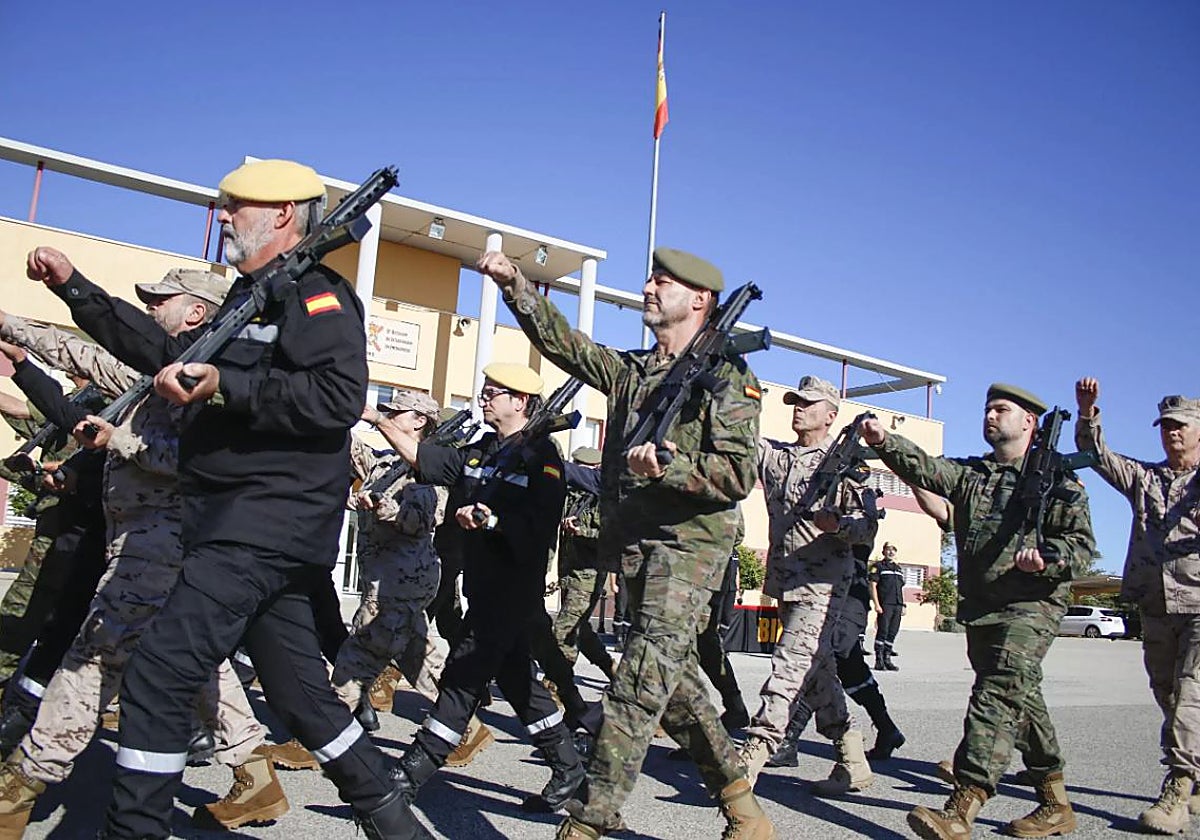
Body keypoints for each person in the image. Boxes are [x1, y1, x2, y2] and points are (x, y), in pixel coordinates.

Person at [23, 158, 429, 839]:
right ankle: (400, 828)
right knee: (303, 698)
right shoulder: (252, 299)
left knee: (157, 674)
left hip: (263, 523)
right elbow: (158, 348)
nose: (221, 216)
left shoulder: (317, 296)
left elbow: (336, 399)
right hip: (237, 524)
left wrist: (226, 388)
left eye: (234, 206)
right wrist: (75, 289)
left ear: (279, 216)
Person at [477, 247, 774, 840]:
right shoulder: (634, 372)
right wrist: (516, 286)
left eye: (661, 281)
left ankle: (592, 815)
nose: (647, 286)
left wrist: (670, 466)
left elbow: (738, 475)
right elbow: (568, 345)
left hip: (690, 549)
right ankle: (744, 807)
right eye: (650, 278)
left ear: (699, 299)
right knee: (675, 686)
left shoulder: (730, 377)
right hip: (635, 546)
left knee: (639, 679)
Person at [0, 272, 295, 834]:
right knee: (197, 660)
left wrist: (122, 442)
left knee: (93, 657)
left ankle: (21, 783)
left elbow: (196, 458)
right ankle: (255, 775)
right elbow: (83, 353)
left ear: (195, 315)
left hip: (160, 541)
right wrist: (13, 330)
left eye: (161, 300)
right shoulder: (151, 372)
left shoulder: (213, 383)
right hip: (142, 538)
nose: (149, 308)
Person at [861, 383, 1095, 840]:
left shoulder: (1058, 482)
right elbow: (927, 469)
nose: (990, 415)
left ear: (1029, 421)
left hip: (1032, 604)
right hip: (984, 606)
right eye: (987, 408)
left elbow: (1083, 547)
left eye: (1001, 409)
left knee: (996, 692)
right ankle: (1055, 803)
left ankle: (962, 805)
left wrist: (1049, 558)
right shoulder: (974, 475)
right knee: (1019, 697)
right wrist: (884, 440)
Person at [384, 362, 585, 813]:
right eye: (486, 389)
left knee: (461, 677)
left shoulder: (543, 459)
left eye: (496, 392)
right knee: (517, 682)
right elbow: (421, 457)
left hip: (513, 588)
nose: (485, 396)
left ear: (521, 402)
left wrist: (490, 519)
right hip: (483, 585)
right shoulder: (481, 453)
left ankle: (411, 774)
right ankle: (569, 765)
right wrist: (377, 419)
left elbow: (539, 525)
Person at [738, 375, 878, 795]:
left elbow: (868, 525)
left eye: (809, 403)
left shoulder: (847, 466)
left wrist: (840, 526)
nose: (799, 408)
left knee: (788, 667)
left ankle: (751, 759)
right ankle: (852, 759)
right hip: (785, 581)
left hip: (823, 585)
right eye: (796, 402)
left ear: (831, 415)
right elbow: (742, 435)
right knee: (817, 676)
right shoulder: (778, 458)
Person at [1074, 380, 1200, 834]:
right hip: (1155, 601)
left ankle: (1178, 787)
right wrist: (1088, 412)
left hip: (1199, 602)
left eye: (1181, 426)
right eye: (1165, 426)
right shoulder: (1146, 479)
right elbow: (1098, 456)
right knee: (1167, 692)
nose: (1172, 433)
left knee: (1191, 693)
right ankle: (1196, 769)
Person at [339, 391, 491, 766]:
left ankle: (323, 732)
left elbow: (421, 521)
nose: (389, 415)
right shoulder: (390, 461)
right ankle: (467, 725)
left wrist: (386, 510)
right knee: (420, 658)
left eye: (397, 412)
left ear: (419, 421)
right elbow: (356, 457)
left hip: (404, 577)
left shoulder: (429, 470)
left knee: (356, 654)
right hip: (386, 574)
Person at [768, 542, 905, 767]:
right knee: (851, 670)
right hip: (825, 592)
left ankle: (789, 740)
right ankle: (887, 730)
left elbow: (857, 534)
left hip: (848, 595)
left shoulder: (855, 510)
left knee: (822, 658)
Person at [553, 447, 616, 681]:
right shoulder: (572, 495)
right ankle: (610, 667)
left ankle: (556, 685)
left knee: (564, 631)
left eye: (581, 467)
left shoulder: (604, 497)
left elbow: (611, 536)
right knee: (581, 630)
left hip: (589, 574)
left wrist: (582, 531)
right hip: (569, 570)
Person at [870, 542, 905, 670]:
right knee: (883, 631)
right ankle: (879, 660)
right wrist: (877, 604)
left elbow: (900, 589)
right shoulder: (878, 567)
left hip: (897, 605)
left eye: (893, 550)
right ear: (883, 552)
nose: (891, 552)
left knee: (892, 632)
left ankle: (887, 659)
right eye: (888, 549)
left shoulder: (898, 569)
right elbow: (872, 585)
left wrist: (903, 605)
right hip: (885, 604)